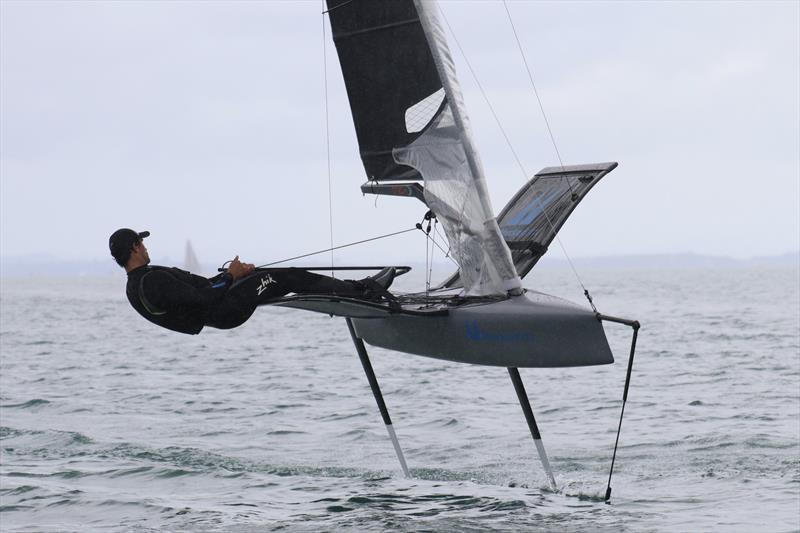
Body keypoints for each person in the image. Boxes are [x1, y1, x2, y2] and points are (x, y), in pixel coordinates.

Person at [109, 228, 396, 335]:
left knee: (273, 278)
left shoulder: (136, 286)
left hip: (219, 311)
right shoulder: (152, 281)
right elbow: (204, 298)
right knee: (288, 276)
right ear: (135, 247)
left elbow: (198, 294)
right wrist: (232, 275)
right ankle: (363, 292)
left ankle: (354, 289)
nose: (146, 247)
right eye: (142, 243)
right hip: (225, 310)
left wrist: (234, 276)